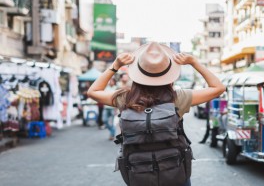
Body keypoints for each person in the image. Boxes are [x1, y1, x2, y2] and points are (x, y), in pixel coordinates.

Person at [87, 42, 225, 186]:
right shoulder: (178, 98)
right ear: (168, 73)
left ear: (137, 72)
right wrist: (194, 62)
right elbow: (218, 87)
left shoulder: (125, 98)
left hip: (139, 173)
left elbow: (93, 92)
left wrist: (115, 65)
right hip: (175, 172)